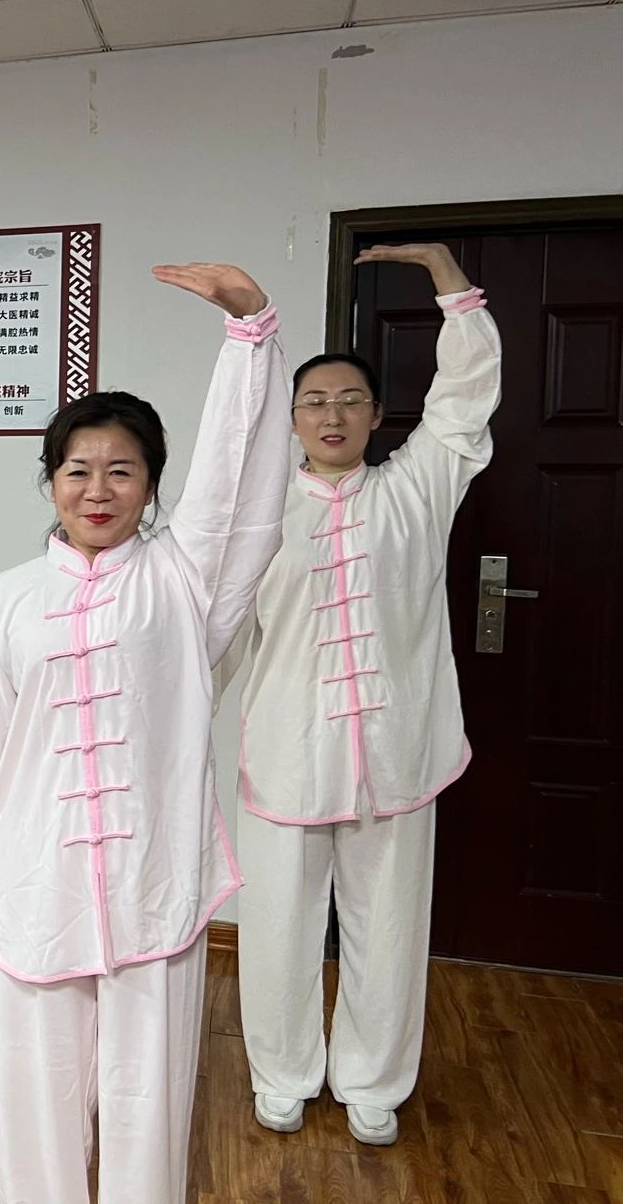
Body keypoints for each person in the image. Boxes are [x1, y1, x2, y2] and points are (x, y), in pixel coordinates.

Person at [0, 264, 290, 1203]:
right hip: (41, 876)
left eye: (122, 470)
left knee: (147, 1098)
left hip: (151, 878)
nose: (98, 489)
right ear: (50, 481)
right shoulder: (12, 595)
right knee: (37, 1093)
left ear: (152, 485)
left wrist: (250, 336)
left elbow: (238, 488)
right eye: (78, 470)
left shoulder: (184, 581)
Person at [232, 243, 500, 1147]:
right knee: (277, 924)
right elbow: (218, 628)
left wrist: (447, 279)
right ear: (292, 419)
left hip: (398, 752)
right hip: (288, 750)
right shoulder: (262, 516)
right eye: (314, 401)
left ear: (379, 415)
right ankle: (281, 1072)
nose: (333, 414)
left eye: (351, 399)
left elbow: (464, 404)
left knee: (388, 927)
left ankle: (374, 1080)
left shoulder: (417, 489)